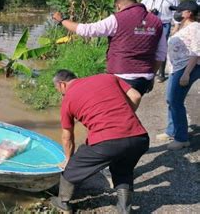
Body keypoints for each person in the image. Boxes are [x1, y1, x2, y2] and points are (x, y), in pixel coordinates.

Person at [49, 70, 149, 214]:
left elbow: (67, 137)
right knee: (123, 170)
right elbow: (136, 95)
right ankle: (124, 208)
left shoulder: (68, 99)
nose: (61, 94)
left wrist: (68, 160)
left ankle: (62, 202)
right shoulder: (107, 77)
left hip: (107, 142)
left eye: (58, 90)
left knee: (72, 169)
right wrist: (124, 119)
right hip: (139, 138)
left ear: (62, 84)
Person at [52, 0, 164, 110]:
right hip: (144, 79)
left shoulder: (118, 19)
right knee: (128, 114)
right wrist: (151, 76)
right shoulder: (156, 22)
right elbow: (161, 54)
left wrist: (62, 20)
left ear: (118, 5)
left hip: (122, 77)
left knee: (117, 115)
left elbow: (87, 30)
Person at [156, 0, 200, 150]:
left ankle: (181, 138)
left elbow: (196, 52)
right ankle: (172, 130)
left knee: (175, 100)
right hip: (177, 68)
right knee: (171, 100)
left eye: (180, 11)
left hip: (186, 67)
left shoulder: (195, 27)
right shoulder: (183, 26)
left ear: (189, 13)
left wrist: (186, 74)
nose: (177, 13)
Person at [141, 0, 180, 83]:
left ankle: (161, 72)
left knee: (161, 47)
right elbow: (141, 7)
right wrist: (147, 11)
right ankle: (147, 70)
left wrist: (176, 26)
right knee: (147, 46)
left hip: (164, 24)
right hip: (149, 24)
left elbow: (176, 13)